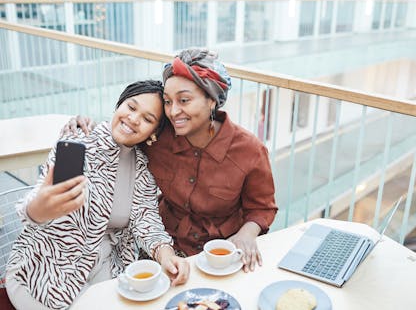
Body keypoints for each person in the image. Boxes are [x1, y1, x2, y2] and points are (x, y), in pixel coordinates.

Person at [64, 48, 278, 273]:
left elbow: (262, 207)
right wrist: (86, 126)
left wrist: (247, 233)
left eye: (184, 100)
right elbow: (127, 129)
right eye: (167, 101)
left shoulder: (249, 150)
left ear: (212, 101)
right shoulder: (157, 136)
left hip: (219, 253)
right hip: (162, 247)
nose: (174, 111)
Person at [6, 80, 190, 310]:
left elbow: (147, 221)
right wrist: (37, 210)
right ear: (119, 105)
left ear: (153, 133)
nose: (134, 119)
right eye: (131, 108)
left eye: (147, 119)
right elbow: (41, 203)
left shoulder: (142, 167)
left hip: (104, 273)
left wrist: (166, 255)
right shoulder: (77, 139)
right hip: (44, 272)